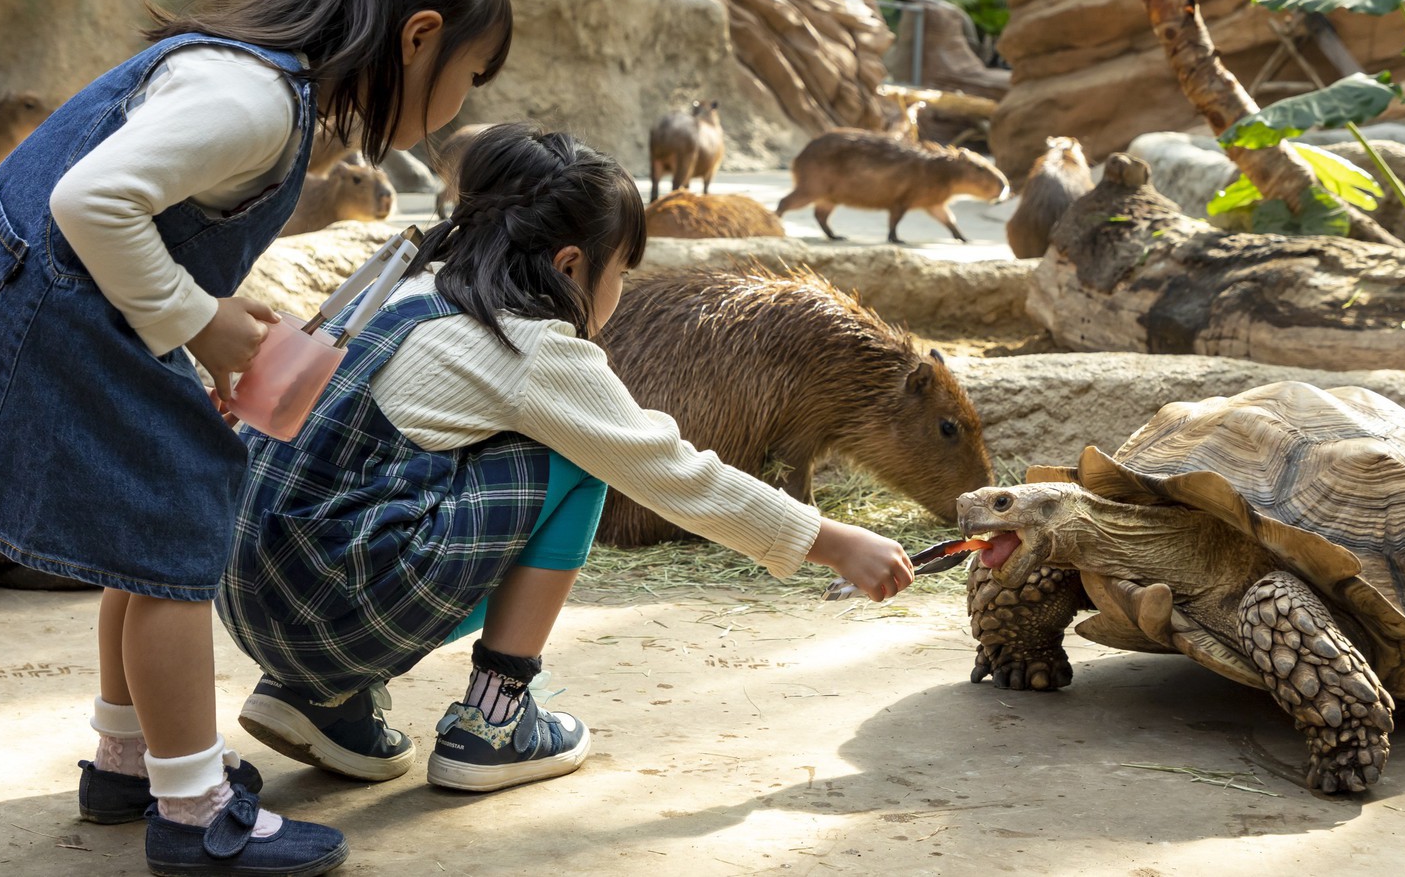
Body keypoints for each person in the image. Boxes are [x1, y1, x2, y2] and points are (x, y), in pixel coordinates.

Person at [0, 0, 512, 877]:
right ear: (419, 36)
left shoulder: (251, 81)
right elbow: (91, 200)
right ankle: (194, 814)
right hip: (46, 320)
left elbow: (138, 218)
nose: (461, 104)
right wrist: (199, 321)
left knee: (141, 540)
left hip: (56, 311)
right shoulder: (254, 100)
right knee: (183, 528)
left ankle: (130, 760)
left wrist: (205, 332)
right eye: (468, 77)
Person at [219, 123, 917, 795]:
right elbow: (668, 470)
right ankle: (497, 717)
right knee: (580, 457)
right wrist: (831, 541)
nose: (617, 291)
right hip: (331, 609)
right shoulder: (534, 347)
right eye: (620, 271)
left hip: (248, 586)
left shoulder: (411, 287)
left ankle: (318, 696)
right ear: (571, 266)